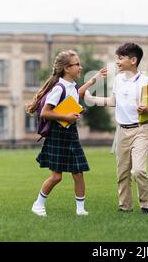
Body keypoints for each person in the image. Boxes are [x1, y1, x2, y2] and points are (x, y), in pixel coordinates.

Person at [84, 42, 148, 214]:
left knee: (139, 170)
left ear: (133, 60)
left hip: (142, 130)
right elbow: (113, 101)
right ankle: (125, 207)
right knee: (122, 173)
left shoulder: (146, 81)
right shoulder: (118, 79)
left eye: (120, 58)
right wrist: (92, 100)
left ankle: (145, 205)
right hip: (122, 131)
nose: (117, 62)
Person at [25, 50, 106, 217]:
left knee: (78, 172)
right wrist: (66, 116)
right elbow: (45, 113)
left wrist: (95, 78)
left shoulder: (72, 87)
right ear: (67, 69)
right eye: (77, 64)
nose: (80, 67)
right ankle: (38, 205)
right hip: (58, 134)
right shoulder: (59, 88)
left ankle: (81, 210)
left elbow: (79, 93)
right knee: (56, 177)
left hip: (71, 133)